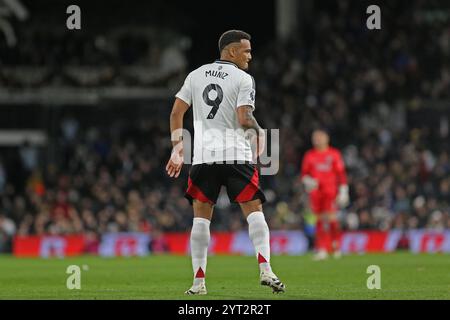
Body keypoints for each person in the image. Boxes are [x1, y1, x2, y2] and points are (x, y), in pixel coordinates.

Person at [165, 30, 285, 295]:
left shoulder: (195, 75)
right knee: (254, 213)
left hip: (204, 157)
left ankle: (198, 283)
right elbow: (244, 118)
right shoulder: (243, 79)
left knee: (200, 220)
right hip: (237, 155)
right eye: (247, 51)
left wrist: (177, 148)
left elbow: (176, 112)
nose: (250, 57)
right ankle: (266, 269)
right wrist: (260, 131)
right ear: (232, 51)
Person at [300, 129, 349, 260]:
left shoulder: (333, 154)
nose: (317, 140)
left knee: (332, 218)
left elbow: (341, 174)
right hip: (316, 193)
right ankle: (322, 249)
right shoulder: (309, 155)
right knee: (320, 220)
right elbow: (304, 175)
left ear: (326, 138)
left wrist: (344, 190)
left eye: (320, 137)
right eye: (315, 137)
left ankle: (336, 245)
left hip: (330, 191)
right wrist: (308, 181)